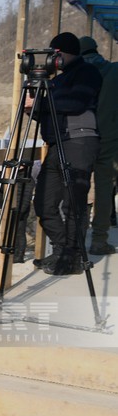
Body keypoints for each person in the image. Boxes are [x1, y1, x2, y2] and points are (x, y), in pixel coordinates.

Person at [31, 32, 103, 275]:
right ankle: (63, 249)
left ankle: (70, 257)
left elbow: (76, 103)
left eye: (55, 55)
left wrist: (44, 99)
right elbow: (43, 111)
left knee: (73, 203)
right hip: (56, 143)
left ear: (62, 53)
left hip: (80, 141)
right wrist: (35, 100)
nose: (52, 61)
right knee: (43, 202)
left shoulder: (87, 72)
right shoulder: (57, 80)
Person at [79, 36, 118, 255]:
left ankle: (74, 239)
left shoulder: (77, 74)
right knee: (104, 189)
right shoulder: (114, 71)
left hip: (81, 139)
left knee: (76, 186)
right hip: (109, 140)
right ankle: (99, 240)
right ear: (97, 50)